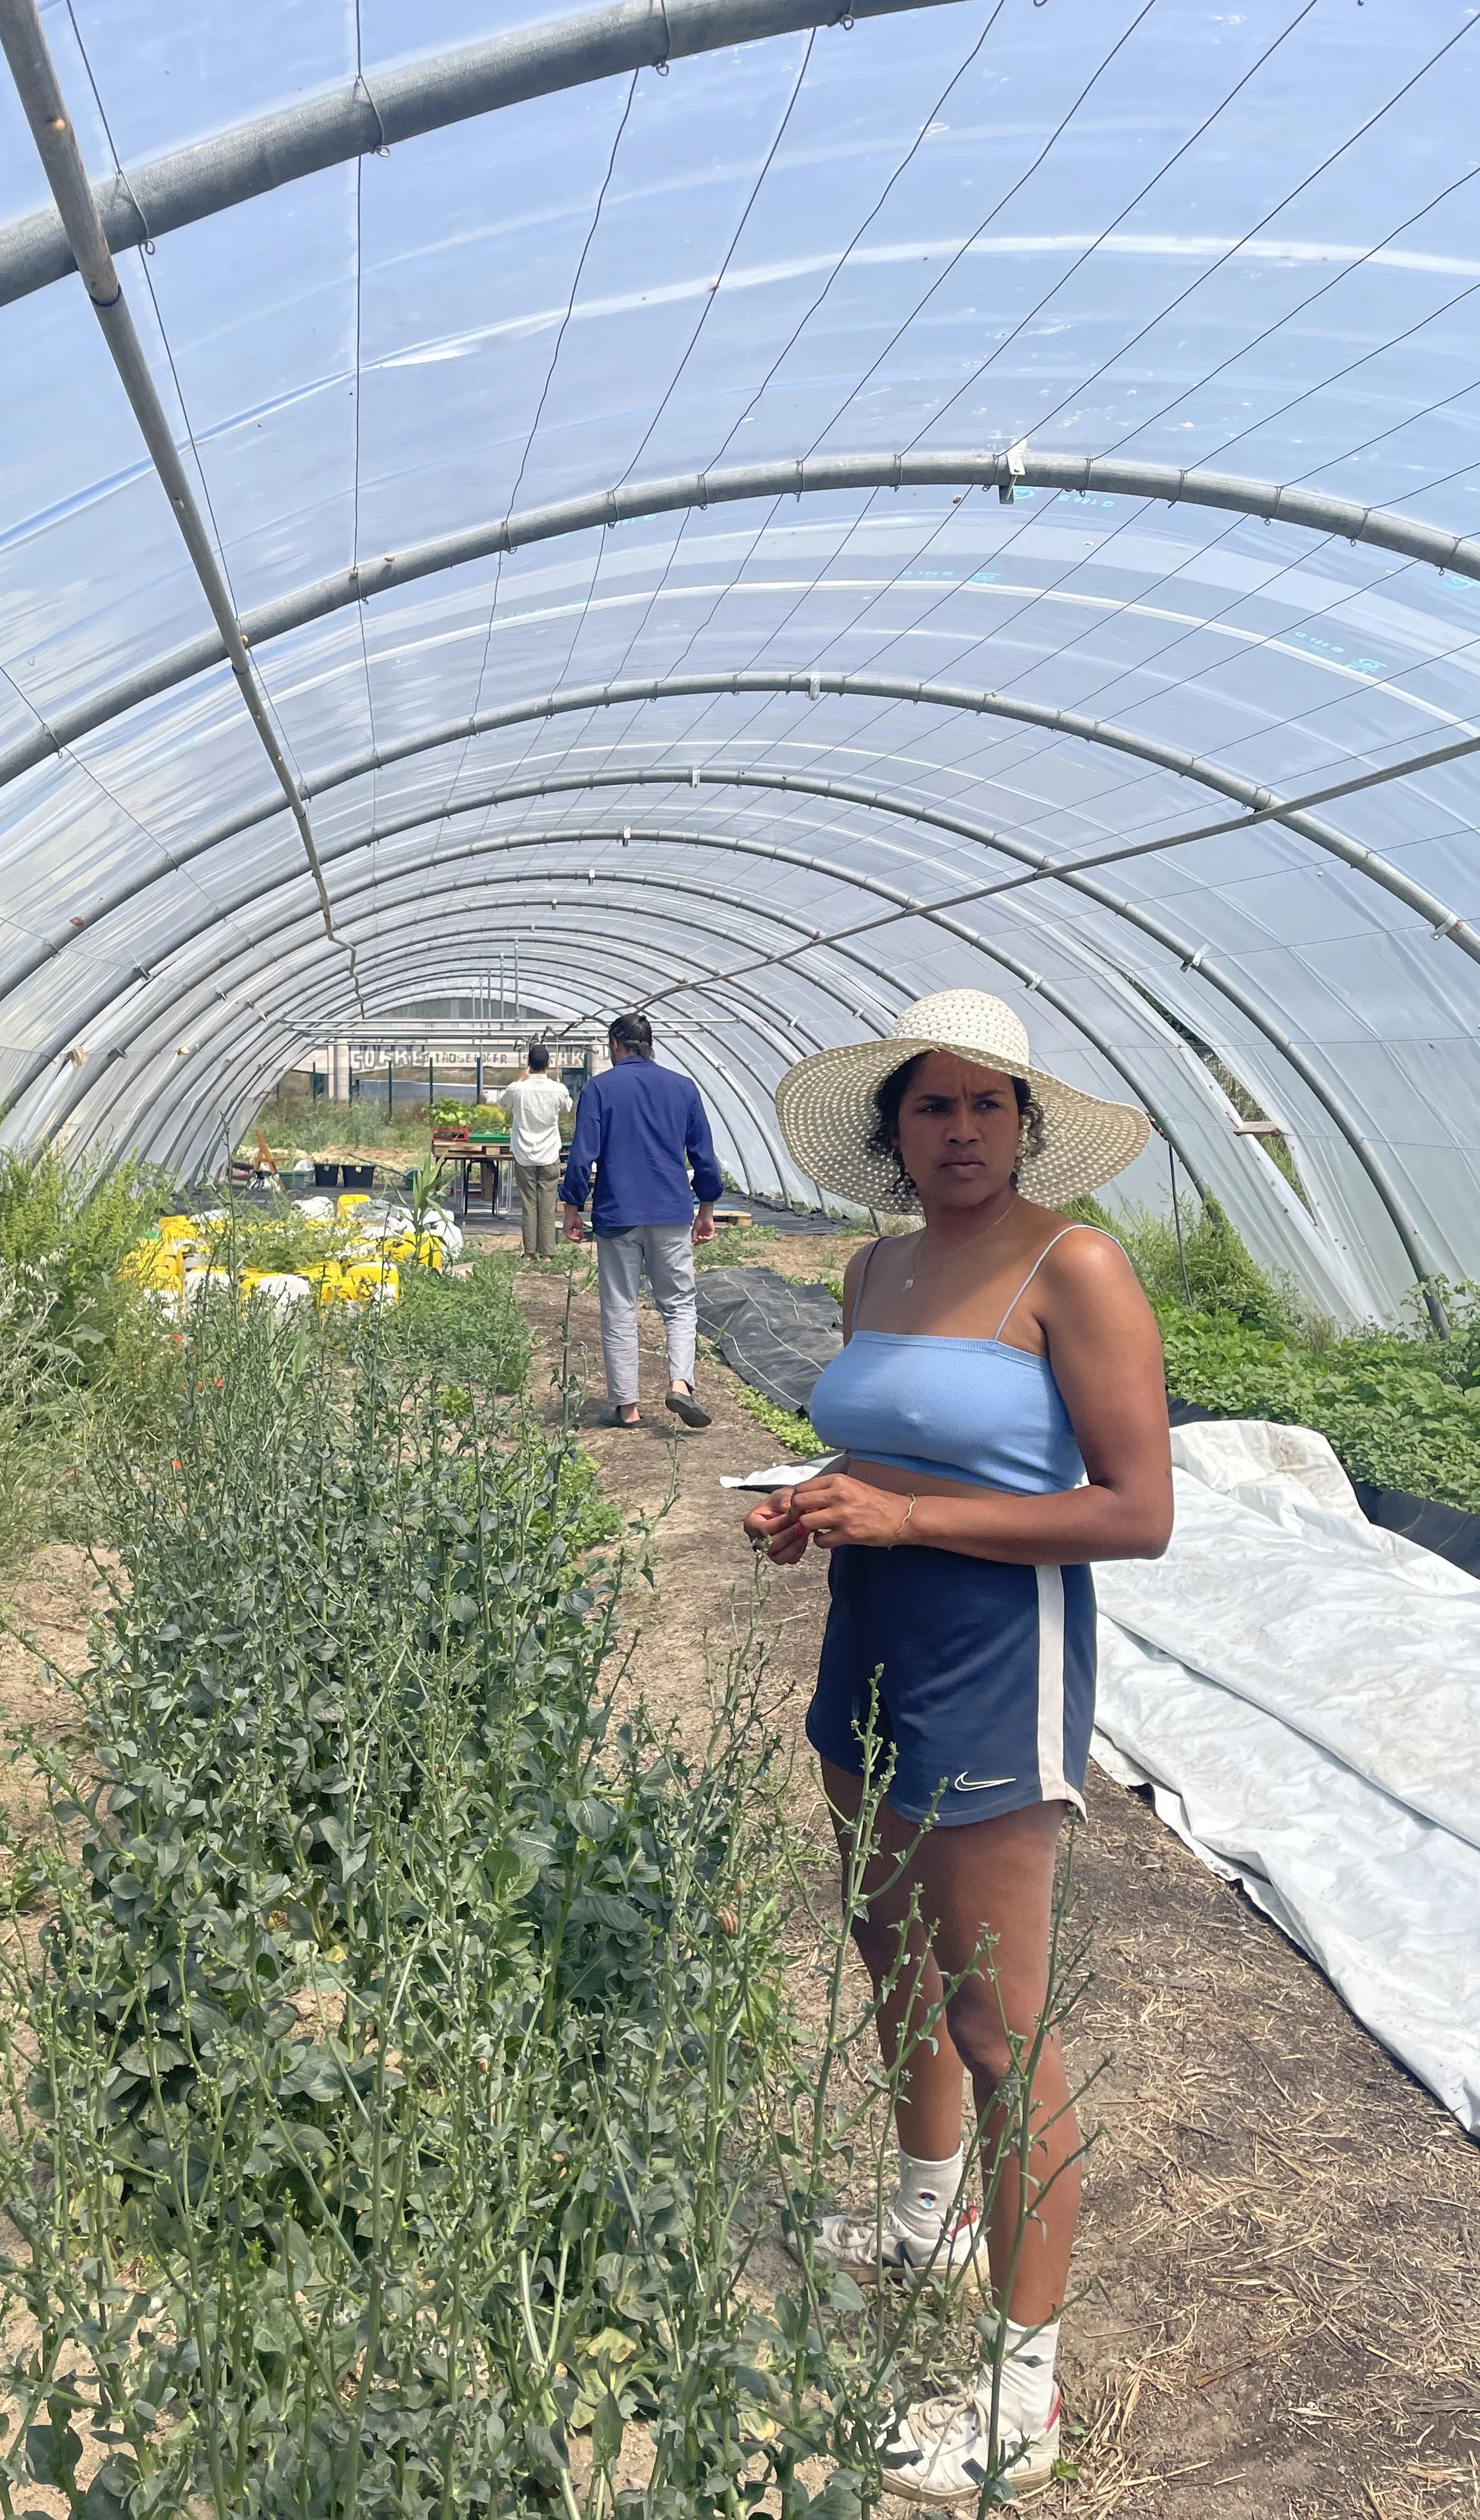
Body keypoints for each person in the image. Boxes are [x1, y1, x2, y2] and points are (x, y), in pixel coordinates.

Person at [745, 988, 1171, 2506]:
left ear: (1022, 1121)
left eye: (988, 1103)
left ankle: (1019, 2385)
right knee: (889, 1951)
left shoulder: (1075, 1265)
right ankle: (927, 2216)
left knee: (1000, 2022)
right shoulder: (876, 1263)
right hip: (867, 1642)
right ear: (890, 1132)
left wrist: (911, 1515)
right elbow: (881, 1447)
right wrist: (809, 1497)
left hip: (995, 1663)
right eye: (931, 1106)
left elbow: (1134, 1508)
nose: (961, 1129)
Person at [559, 1011, 723, 1430]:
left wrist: (572, 1206)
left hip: (618, 1214)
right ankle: (681, 1384)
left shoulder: (599, 1089)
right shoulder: (683, 1088)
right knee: (680, 1304)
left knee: (619, 1307)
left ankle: (627, 1408)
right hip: (670, 1211)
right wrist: (706, 1207)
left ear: (615, 1044)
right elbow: (703, 1154)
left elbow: (582, 1154)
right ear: (650, 1045)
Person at [500, 1043, 573, 1260]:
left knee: (529, 1203)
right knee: (548, 1204)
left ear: (528, 1065)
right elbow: (567, 1106)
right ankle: (548, 1253)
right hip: (549, 1152)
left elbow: (503, 1101)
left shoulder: (517, 1089)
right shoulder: (557, 1089)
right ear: (548, 1064)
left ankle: (529, 1252)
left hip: (524, 1154)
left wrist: (520, 1079)